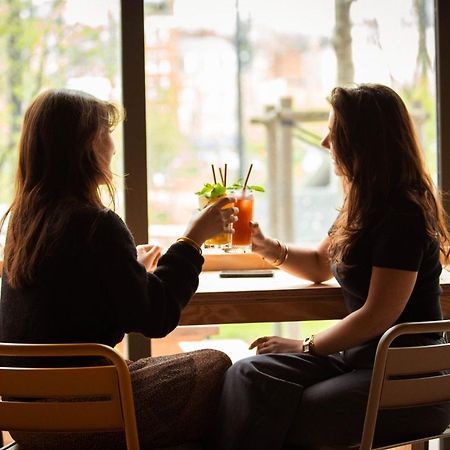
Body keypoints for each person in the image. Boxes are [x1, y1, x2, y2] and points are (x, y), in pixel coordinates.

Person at [207, 84, 450, 450]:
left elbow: (378, 315)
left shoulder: (403, 214)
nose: (324, 142)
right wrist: (264, 245)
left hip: (407, 376)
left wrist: (303, 345)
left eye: (334, 133)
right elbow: (322, 264)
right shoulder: (363, 204)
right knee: (248, 373)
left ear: (363, 142)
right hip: (360, 361)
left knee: (291, 411)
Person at [0, 88, 238, 449]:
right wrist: (193, 238)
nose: (113, 147)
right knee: (216, 363)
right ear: (87, 146)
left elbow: (72, 302)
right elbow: (156, 318)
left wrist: (133, 271)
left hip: (26, 419)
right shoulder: (98, 225)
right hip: (82, 413)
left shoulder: (23, 224)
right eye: (107, 135)